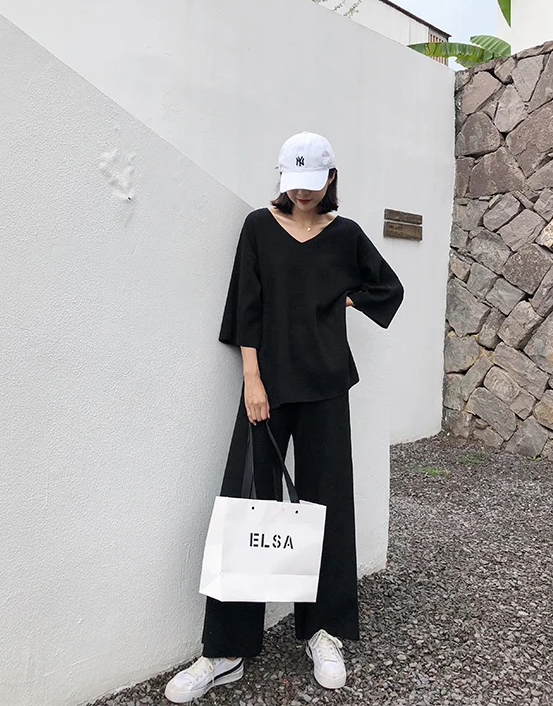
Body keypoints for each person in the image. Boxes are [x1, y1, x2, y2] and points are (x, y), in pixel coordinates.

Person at [164, 131, 404, 703]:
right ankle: (225, 650)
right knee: (247, 501)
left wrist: (347, 298)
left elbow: (387, 287)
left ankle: (324, 631)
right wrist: (252, 378)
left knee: (328, 503)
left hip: (326, 386)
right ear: (282, 179)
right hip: (266, 387)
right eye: (293, 183)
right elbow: (246, 305)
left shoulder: (346, 235)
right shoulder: (258, 227)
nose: (302, 193)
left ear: (330, 179)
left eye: (312, 184)